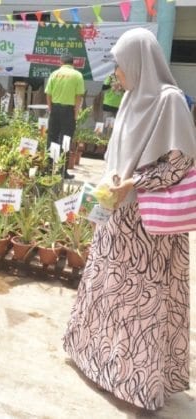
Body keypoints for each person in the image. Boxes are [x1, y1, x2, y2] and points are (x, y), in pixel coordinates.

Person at [63, 28, 196, 411]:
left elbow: (181, 165)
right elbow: (115, 160)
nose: (116, 74)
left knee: (141, 302)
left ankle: (135, 383)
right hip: (117, 217)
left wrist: (135, 182)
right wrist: (104, 198)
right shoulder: (130, 98)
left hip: (148, 225)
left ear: (139, 63)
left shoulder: (169, 101)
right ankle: (98, 362)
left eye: (120, 66)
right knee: (107, 292)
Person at [45, 53, 85, 179]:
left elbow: (48, 94)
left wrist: (51, 108)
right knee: (66, 140)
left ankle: (48, 168)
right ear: (72, 63)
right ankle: (62, 172)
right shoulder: (77, 75)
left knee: (51, 138)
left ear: (61, 62)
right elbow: (78, 96)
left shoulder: (54, 74)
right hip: (69, 111)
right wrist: (76, 113)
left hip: (55, 109)